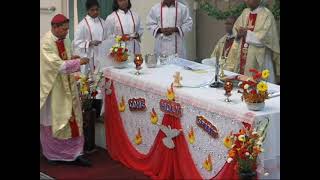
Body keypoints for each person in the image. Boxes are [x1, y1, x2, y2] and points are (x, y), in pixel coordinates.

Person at [40, 14, 91, 166]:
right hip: (53, 88)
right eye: (64, 29)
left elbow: (65, 58)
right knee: (54, 119)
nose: (67, 32)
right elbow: (59, 66)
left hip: (68, 84)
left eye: (67, 29)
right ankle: (53, 155)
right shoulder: (46, 43)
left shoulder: (66, 39)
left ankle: (76, 153)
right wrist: (78, 61)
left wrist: (72, 57)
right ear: (54, 27)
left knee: (73, 118)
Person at [227, 0, 280, 84]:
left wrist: (247, 33)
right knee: (242, 84)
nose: (246, 1)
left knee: (261, 87)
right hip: (243, 52)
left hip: (260, 57)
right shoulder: (245, 12)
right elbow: (236, 28)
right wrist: (238, 33)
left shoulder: (266, 15)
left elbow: (267, 38)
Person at [73, 0, 105, 117]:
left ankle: (98, 112)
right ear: (87, 10)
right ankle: (87, 111)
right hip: (88, 58)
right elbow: (76, 42)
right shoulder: (82, 24)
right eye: (92, 10)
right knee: (88, 83)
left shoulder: (103, 22)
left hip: (100, 57)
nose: (95, 12)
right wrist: (90, 43)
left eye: (97, 9)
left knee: (100, 83)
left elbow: (108, 37)